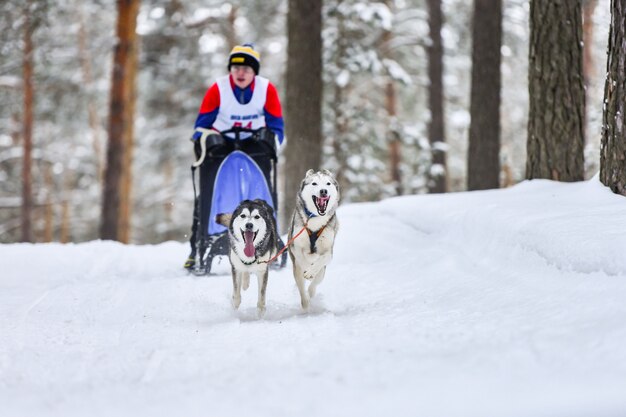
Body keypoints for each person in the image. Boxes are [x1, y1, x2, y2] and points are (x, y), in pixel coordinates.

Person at [184, 43, 285, 270]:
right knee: (207, 195)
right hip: (222, 145)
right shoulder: (217, 89)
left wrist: (271, 140)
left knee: (261, 193)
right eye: (236, 68)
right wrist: (207, 138)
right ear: (230, 69)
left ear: (254, 72)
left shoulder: (266, 89)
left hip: (254, 144)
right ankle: (198, 246)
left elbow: (278, 127)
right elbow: (199, 127)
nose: (241, 73)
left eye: (247, 69)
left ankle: (268, 241)